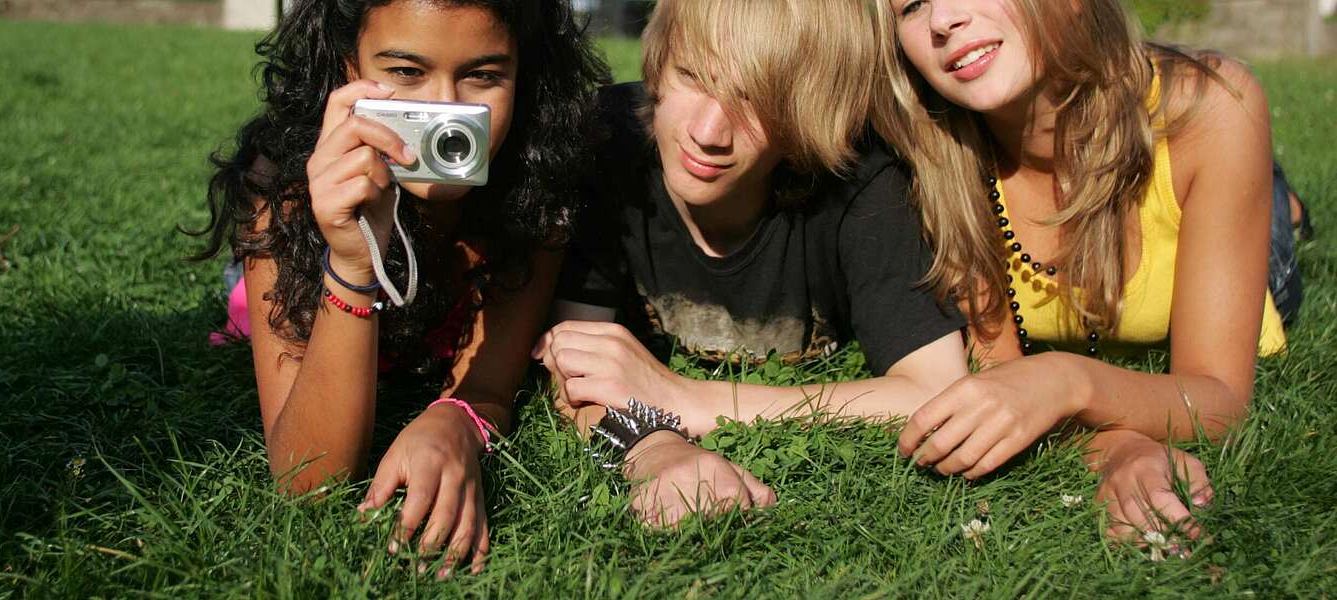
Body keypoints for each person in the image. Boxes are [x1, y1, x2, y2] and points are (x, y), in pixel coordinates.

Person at [192, 0, 607, 576]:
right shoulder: (286, 189)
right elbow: (308, 476)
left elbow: (486, 383)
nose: (446, 111)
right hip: (306, 269)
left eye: (484, 75)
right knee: (252, 301)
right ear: (347, 70)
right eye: (407, 73)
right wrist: (351, 262)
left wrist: (455, 419)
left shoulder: (538, 185)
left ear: (523, 73)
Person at [869, 0, 1306, 542]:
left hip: (1249, 244)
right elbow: (1002, 387)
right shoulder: (938, 158)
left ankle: (1283, 203)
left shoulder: (1213, 107)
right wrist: (1121, 448)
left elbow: (1220, 400)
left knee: (1275, 236)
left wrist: (1067, 378)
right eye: (911, 6)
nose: (942, 20)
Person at [541, 0, 969, 528]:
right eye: (694, 76)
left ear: (810, 112)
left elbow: (933, 389)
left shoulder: (863, 182)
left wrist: (693, 399)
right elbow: (576, 362)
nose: (708, 132)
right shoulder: (606, 145)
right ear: (657, 64)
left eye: (756, 101)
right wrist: (654, 449)